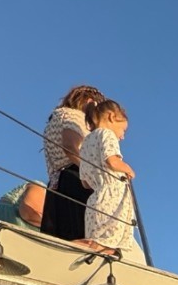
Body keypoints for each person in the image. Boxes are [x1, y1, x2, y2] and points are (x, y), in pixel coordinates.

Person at [79, 99, 145, 263]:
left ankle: (67, 249)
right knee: (107, 245)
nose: (122, 136)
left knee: (95, 244)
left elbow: (85, 183)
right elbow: (112, 161)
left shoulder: (86, 142)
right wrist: (128, 170)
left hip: (95, 199)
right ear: (111, 117)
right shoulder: (106, 135)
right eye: (123, 130)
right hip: (111, 200)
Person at [40, 86, 105, 242]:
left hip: (57, 182)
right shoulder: (74, 116)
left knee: (60, 237)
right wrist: (95, 176)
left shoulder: (57, 117)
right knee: (81, 234)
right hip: (76, 178)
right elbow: (70, 147)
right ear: (90, 101)